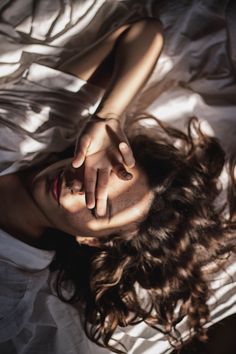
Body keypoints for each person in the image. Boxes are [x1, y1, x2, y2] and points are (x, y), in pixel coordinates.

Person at [0, 16, 236, 354]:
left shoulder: (12, 297)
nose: (76, 188)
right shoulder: (32, 128)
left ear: (92, 240)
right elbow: (142, 32)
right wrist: (108, 116)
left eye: (97, 205)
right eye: (101, 174)